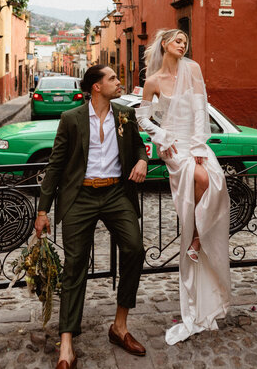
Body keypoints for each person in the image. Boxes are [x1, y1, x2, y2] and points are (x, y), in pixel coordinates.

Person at [35, 65, 148, 369]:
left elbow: (139, 145)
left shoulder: (125, 114)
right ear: (96, 87)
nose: (117, 81)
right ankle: (67, 344)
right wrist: (43, 210)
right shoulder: (71, 119)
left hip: (115, 194)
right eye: (112, 78)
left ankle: (120, 327)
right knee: (74, 266)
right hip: (80, 197)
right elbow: (56, 166)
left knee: (135, 248)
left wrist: (141, 160)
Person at [136, 29, 231, 345]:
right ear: (165, 45)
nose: (183, 44)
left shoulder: (193, 69)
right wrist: (161, 137)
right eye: (178, 41)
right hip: (174, 147)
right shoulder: (152, 81)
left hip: (195, 142)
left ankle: (196, 242)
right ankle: (194, 239)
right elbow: (143, 118)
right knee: (197, 189)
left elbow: (202, 109)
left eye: (186, 42)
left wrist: (202, 148)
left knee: (211, 183)